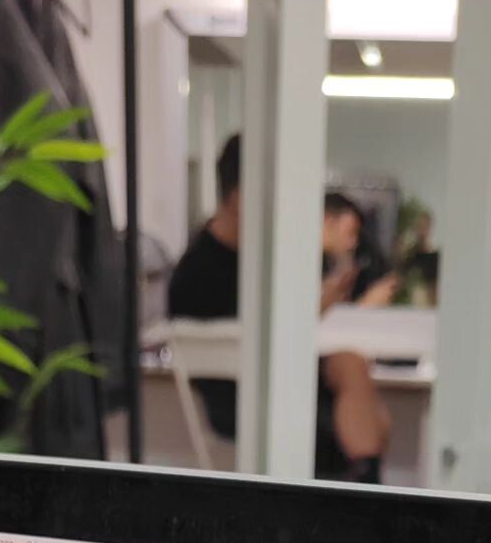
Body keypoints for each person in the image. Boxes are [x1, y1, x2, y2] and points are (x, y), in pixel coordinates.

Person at [168, 136, 392, 480]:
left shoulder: (257, 260)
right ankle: (365, 484)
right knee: (362, 417)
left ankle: (367, 483)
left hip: (273, 381)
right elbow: (248, 342)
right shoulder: (198, 273)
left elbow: (272, 333)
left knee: (352, 369)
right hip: (244, 399)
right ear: (240, 196)